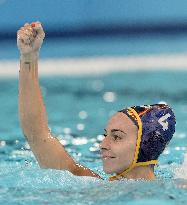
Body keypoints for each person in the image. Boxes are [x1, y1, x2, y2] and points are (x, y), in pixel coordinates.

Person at [17, 22, 176, 181]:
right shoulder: (92, 186)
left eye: (117, 137)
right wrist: (29, 58)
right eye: (105, 135)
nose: (103, 144)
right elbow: (37, 134)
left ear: (146, 145)